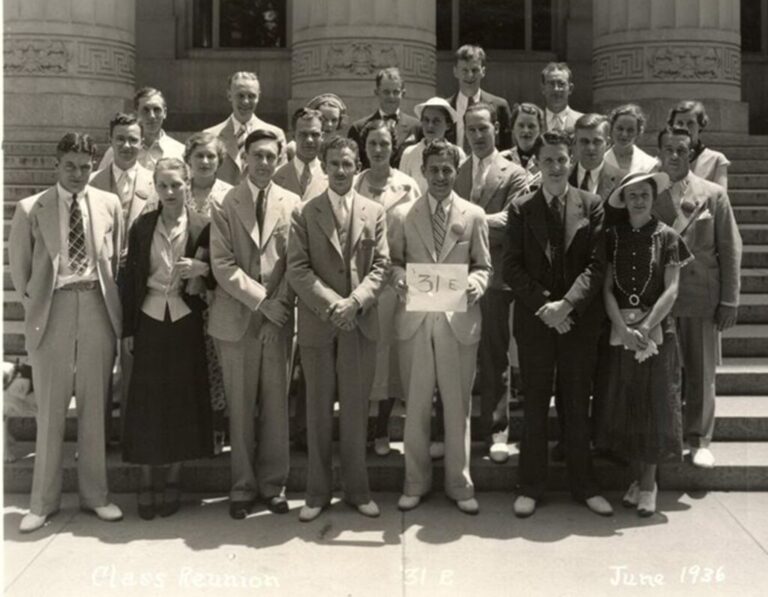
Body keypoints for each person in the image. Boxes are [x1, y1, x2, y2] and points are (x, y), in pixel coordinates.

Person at [10, 132, 124, 533]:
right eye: (70, 166)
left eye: (85, 166)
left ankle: (97, 496)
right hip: (53, 308)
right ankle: (42, 502)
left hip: (95, 305)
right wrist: (37, 306)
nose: (78, 174)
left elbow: (115, 259)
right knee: (51, 410)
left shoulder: (109, 204)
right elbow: (20, 271)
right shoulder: (30, 208)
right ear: (56, 165)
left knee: (94, 407)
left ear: (94, 166)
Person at [503, 129, 612, 518]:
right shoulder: (520, 207)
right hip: (537, 324)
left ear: (572, 162)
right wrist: (547, 307)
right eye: (547, 160)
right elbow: (512, 268)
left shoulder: (592, 205)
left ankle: (585, 486)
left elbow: (597, 266)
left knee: (576, 405)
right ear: (536, 163)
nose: (554, 167)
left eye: (561, 160)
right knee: (534, 405)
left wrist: (566, 306)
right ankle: (530, 485)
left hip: (577, 324)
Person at [287, 135, 390, 522]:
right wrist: (334, 305)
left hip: (359, 323)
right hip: (319, 323)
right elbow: (298, 269)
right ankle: (317, 493)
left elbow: (381, 266)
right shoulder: (305, 212)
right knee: (316, 411)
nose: (342, 171)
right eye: (335, 164)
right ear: (325, 167)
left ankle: (357, 490)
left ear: (357, 164)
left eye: (348, 164)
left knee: (355, 411)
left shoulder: (373, 211)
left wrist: (356, 302)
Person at [390, 138, 491, 515]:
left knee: (456, 405)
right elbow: (395, 262)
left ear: (456, 172)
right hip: (416, 319)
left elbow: (484, 266)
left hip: (457, 320)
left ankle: (459, 484)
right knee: (415, 405)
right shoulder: (402, 215)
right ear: (423, 171)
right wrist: (399, 280)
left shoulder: (473, 215)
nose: (440, 177)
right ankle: (415, 482)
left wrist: (475, 285)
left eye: (448, 170)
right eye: (433, 169)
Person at [209, 129, 300, 519]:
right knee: (241, 407)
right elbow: (222, 264)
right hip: (238, 319)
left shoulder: (294, 203)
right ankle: (242, 485)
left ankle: (273, 484)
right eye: (257, 155)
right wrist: (262, 302)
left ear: (280, 159)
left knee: (276, 406)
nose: (264, 163)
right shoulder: (224, 202)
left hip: (278, 319)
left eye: (270, 156)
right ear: (243, 157)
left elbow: (297, 262)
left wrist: (277, 306)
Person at [120, 158, 213, 520]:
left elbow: (220, 272)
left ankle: (173, 478)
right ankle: (147, 480)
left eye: (177, 184)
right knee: (147, 404)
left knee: (180, 402)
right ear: (155, 188)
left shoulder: (203, 225)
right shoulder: (143, 226)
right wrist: (128, 328)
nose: (170, 192)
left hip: (185, 320)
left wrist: (203, 270)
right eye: (163, 186)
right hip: (149, 320)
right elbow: (129, 280)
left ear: (189, 184)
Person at [598, 170, 691, 516]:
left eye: (645, 194)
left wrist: (647, 326)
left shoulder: (667, 237)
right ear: (624, 200)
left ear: (654, 198)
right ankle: (636, 479)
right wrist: (622, 328)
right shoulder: (613, 236)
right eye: (632, 195)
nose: (639, 200)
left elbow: (673, 288)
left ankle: (650, 485)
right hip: (621, 330)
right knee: (628, 401)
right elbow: (606, 288)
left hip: (657, 334)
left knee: (654, 402)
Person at [653, 126, 742, 468]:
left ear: (691, 153)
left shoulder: (713, 194)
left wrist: (729, 300)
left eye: (682, 150)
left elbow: (730, 248)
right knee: (664, 372)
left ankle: (700, 438)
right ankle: (667, 437)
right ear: (659, 152)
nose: (675, 156)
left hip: (701, 295)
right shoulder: (650, 190)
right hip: (661, 297)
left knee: (701, 371)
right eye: (669, 150)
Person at [454, 102, 527, 463]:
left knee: (495, 355)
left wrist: (467, 219)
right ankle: (453, 431)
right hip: (455, 278)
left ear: (497, 128)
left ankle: (497, 431)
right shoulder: (457, 170)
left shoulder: (514, 173)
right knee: (453, 355)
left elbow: (514, 222)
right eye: (471, 130)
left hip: (496, 279)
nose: (478, 136)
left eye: (484, 128)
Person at [90, 112, 158, 444]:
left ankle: (131, 436)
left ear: (142, 143)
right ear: (111, 141)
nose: (127, 145)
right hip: (102, 284)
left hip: (139, 286)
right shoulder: (93, 183)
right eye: (121, 139)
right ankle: (98, 438)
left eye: (133, 139)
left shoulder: (155, 183)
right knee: (99, 365)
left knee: (133, 363)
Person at [354, 119, 419, 456]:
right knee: (363, 357)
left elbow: (418, 235)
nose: (378, 150)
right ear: (363, 148)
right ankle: (361, 427)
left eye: (384, 144)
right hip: (359, 286)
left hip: (396, 286)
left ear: (393, 147)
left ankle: (381, 429)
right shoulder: (352, 184)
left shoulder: (409, 187)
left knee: (390, 359)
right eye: (372, 144)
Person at [183, 131, 232, 454]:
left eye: (211, 156)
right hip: (180, 292)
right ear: (188, 160)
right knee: (188, 363)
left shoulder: (230, 197)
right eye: (199, 155)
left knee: (217, 363)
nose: (204, 162)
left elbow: (238, 251)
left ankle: (218, 429)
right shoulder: (173, 191)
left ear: (220, 161)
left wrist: (208, 273)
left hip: (218, 293)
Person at [204, 71, 287, 186]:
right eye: (240, 95)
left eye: (251, 96)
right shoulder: (210, 135)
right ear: (229, 95)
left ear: (258, 97)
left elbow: (280, 178)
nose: (246, 101)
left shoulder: (275, 134)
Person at [347, 67, 420, 169]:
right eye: (386, 92)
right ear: (377, 92)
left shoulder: (416, 127)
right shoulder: (358, 128)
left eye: (396, 92)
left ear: (403, 93)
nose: (391, 97)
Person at [98, 87, 185, 171]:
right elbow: (99, 182)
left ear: (165, 113)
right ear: (136, 114)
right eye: (145, 110)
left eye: (157, 109)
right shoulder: (116, 152)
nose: (152, 116)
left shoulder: (180, 151)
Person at [446, 44, 512, 152]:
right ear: (455, 71)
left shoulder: (499, 106)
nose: (470, 75)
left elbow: (508, 148)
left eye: (475, 70)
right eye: (464, 70)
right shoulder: (445, 107)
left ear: (483, 72)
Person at [399, 96, 466, 195]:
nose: (430, 126)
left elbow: (461, 189)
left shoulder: (457, 153)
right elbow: (402, 189)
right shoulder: (409, 153)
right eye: (426, 120)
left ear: (448, 125)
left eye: (436, 121)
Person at [667, 100, 730, 189]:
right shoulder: (664, 160)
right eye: (679, 123)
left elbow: (720, 199)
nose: (685, 128)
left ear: (700, 125)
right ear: (672, 126)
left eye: (690, 124)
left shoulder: (716, 160)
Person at [273, 107, 328, 202]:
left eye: (315, 135)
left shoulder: (330, 176)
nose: (309, 140)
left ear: (322, 137)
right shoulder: (276, 176)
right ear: (293, 136)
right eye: (303, 134)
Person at [284, 94, 348, 161]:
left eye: (334, 120)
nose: (329, 124)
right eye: (324, 119)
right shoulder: (294, 148)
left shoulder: (342, 149)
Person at [500, 102, 545, 194]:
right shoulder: (501, 159)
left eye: (531, 126)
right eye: (521, 125)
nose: (526, 130)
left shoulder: (546, 160)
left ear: (540, 129)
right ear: (513, 128)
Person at [604, 104, 657, 176]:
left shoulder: (648, 164)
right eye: (620, 128)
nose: (624, 134)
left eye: (630, 130)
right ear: (611, 128)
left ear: (638, 132)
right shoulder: (601, 161)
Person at [540, 62, 583, 134]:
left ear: (570, 89)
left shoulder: (581, 121)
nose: (556, 89)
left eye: (561, 84)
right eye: (551, 84)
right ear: (543, 89)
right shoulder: (534, 122)